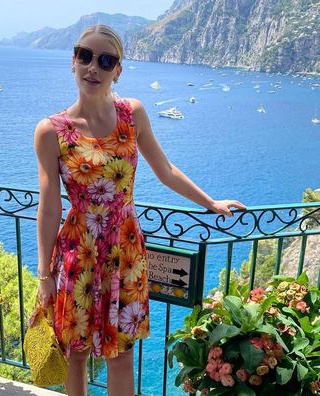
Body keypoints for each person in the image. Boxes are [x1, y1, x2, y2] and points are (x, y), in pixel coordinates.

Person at [34, 24, 246, 396]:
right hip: (77, 252)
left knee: (121, 355)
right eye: (85, 56)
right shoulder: (52, 131)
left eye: (105, 60)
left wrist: (210, 202)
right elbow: (49, 206)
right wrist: (43, 274)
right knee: (77, 352)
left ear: (118, 70)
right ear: (72, 61)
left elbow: (165, 170)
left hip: (126, 250)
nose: (92, 68)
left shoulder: (132, 114)